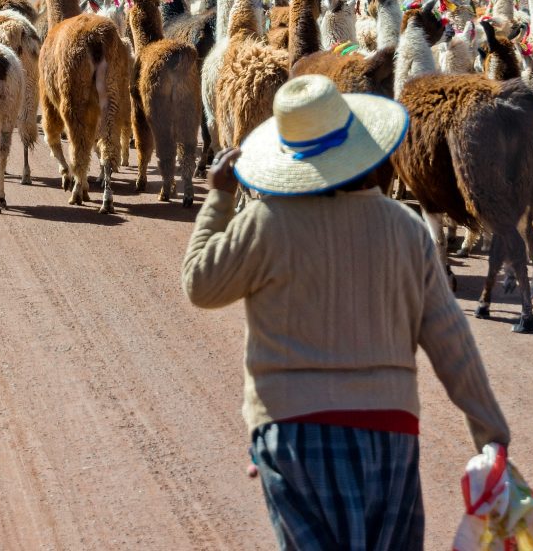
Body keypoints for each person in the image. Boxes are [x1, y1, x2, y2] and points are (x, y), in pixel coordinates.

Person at [183, 74, 510, 550]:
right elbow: (451, 341)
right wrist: (490, 432)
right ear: (361, 146)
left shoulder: (265, 225)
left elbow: (200, 283)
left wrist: (219, 197)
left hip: (292, 433)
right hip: (389, 432)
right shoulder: (406, 230)